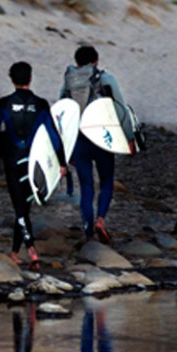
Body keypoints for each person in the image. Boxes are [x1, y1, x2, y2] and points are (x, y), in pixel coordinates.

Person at [0, 61, 66, 270]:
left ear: (11, 79)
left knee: (19, 208)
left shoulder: (4, 103)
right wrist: (62, 163)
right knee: (24, 208)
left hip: (13, 159)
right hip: (34, 161)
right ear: (31, 78)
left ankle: (31, 251)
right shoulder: (40, 104)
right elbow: (53, 136)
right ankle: (15, 253)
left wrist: (1, 144)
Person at [59, 45, 129, 244]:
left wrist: (65, 149)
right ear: (96, 62)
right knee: (106, 181)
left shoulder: (68, 83)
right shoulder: (105, 79)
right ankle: (101, 220)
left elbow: (63, 115)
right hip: (102, 138)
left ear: (77, 62)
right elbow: (121, 109)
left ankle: (89, 233)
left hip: (79, 141)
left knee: (86, 187)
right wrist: (128, 138)